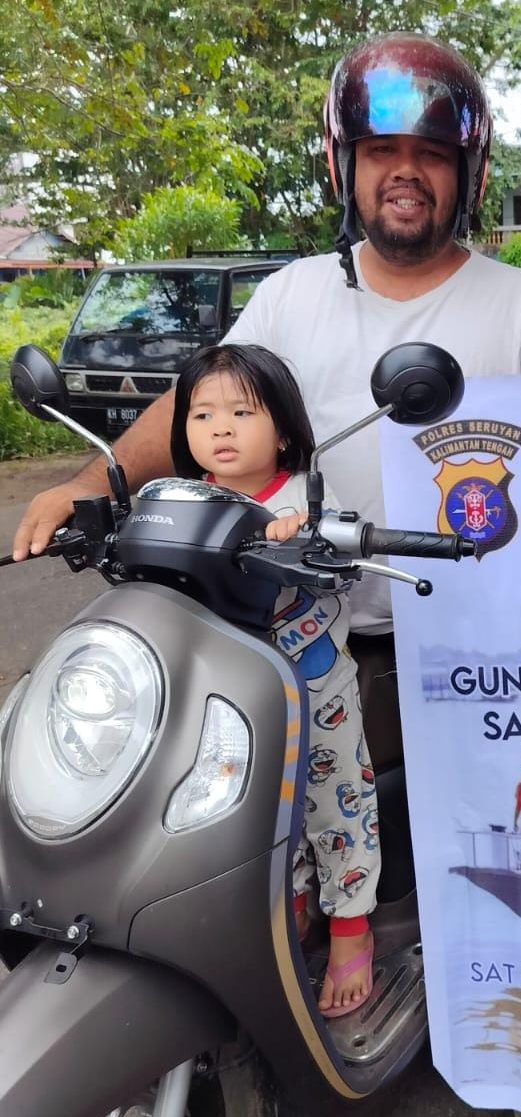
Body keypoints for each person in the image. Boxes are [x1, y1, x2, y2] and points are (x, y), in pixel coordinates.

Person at [12, 32, 521, 770]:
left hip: (475, 649)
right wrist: (92, 481)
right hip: (296, 631)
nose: (405, 172)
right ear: (344, 166)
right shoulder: (293, 294)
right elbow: (198, 401)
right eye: (380, 151)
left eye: (432, 154)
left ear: (468, 173)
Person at [172, 343, 378, 1017]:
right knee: (245, 806)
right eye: (202, 414)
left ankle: (351, 924)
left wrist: (307, 531)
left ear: (283, 430)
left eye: (241, 412)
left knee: (334, 799)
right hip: (226, 691)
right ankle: (287, 904)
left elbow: (347, 558)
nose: (221, 428)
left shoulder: (304, 496)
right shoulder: (180, 501)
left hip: (312, 686)